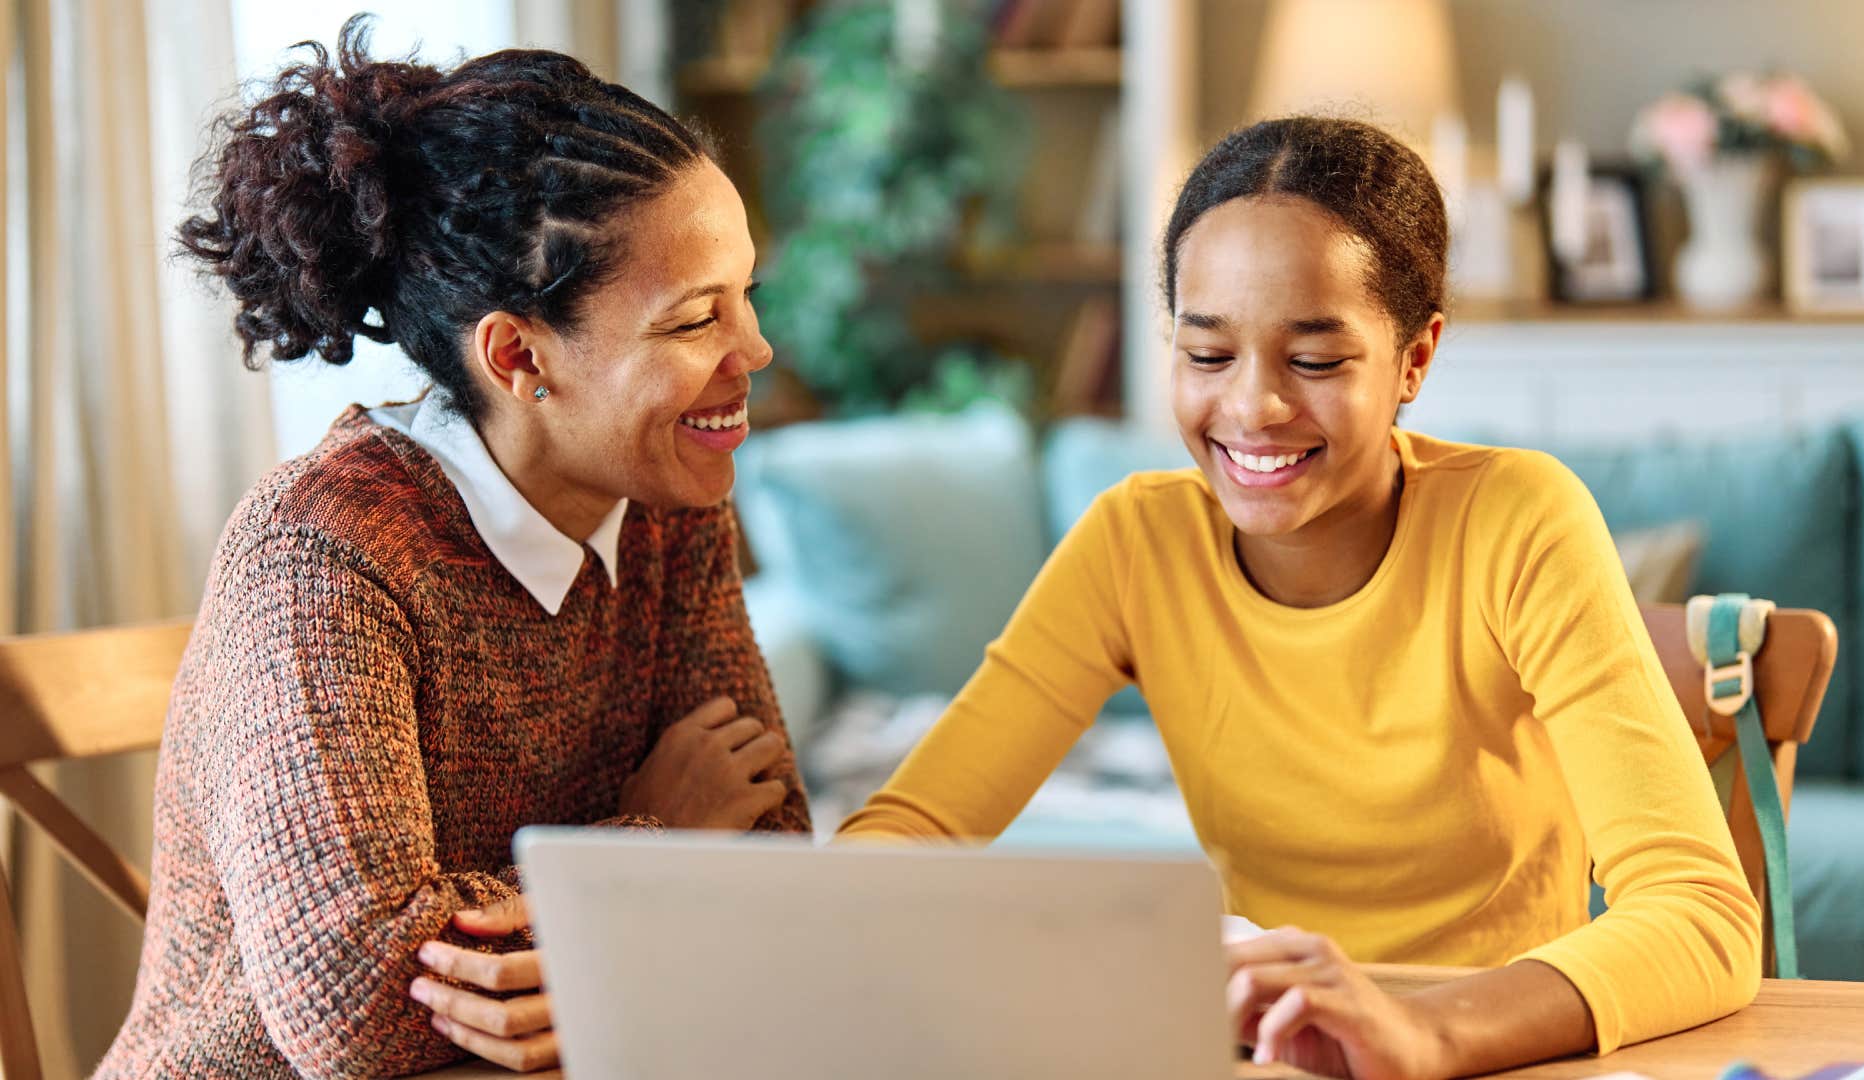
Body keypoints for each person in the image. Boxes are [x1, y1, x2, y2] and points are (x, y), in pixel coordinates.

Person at [838, 117, 1760, 1078]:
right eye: (1206, 355)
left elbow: (1700, 913)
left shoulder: (1519, 521)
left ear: (1416, 358)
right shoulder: (1135, 543)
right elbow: (910, 834)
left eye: (1314, 360)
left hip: (1498, 1054)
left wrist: (1421, 1034)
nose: (1251, 409)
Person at [96, 19, 807, 1078]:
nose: (755, 349)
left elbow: (774, 850)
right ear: (519, 355)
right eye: (696, 319)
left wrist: (581, 938)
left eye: (745, 296)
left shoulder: (669, 503)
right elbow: (356, 1001)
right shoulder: (324, 554)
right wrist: (660, 833)